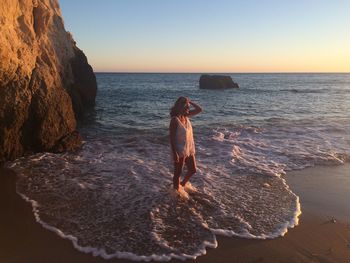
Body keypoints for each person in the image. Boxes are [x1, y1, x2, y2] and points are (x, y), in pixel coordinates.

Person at [169, 97, 202, 190]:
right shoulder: (175, 120)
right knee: (177, 173)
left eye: (188, 107)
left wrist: (190, 101)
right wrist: (175, 153)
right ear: (181, 107)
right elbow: (171, 138)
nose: (188, 109)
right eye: (186, 107)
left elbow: (199, 109)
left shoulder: (186, 116)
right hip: (179, 149)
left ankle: (182, 185)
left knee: (192, 170)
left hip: (188, 148)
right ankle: (176, 193)